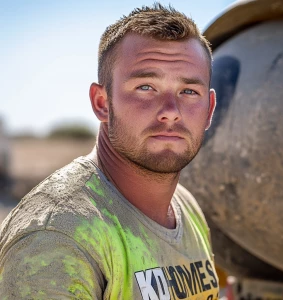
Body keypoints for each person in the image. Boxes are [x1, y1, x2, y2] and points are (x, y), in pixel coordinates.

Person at [0, 4, 218, 299]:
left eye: (189, 91)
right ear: (102, 102)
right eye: (146, 87)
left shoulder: (186, 207)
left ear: (209, 110)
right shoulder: (58, 236)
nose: (171, 112)